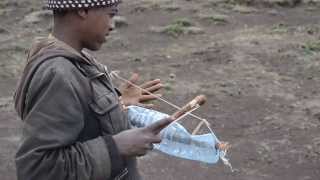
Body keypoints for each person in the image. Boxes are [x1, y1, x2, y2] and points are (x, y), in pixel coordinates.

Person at [13, 0, 173, 179]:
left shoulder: (75, 58)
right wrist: (117, 146)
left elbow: (81, 121)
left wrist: (116, 101)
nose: (112, 25)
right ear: (82, 10)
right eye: (110, 14)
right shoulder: (58, 73)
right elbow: (37, 169)